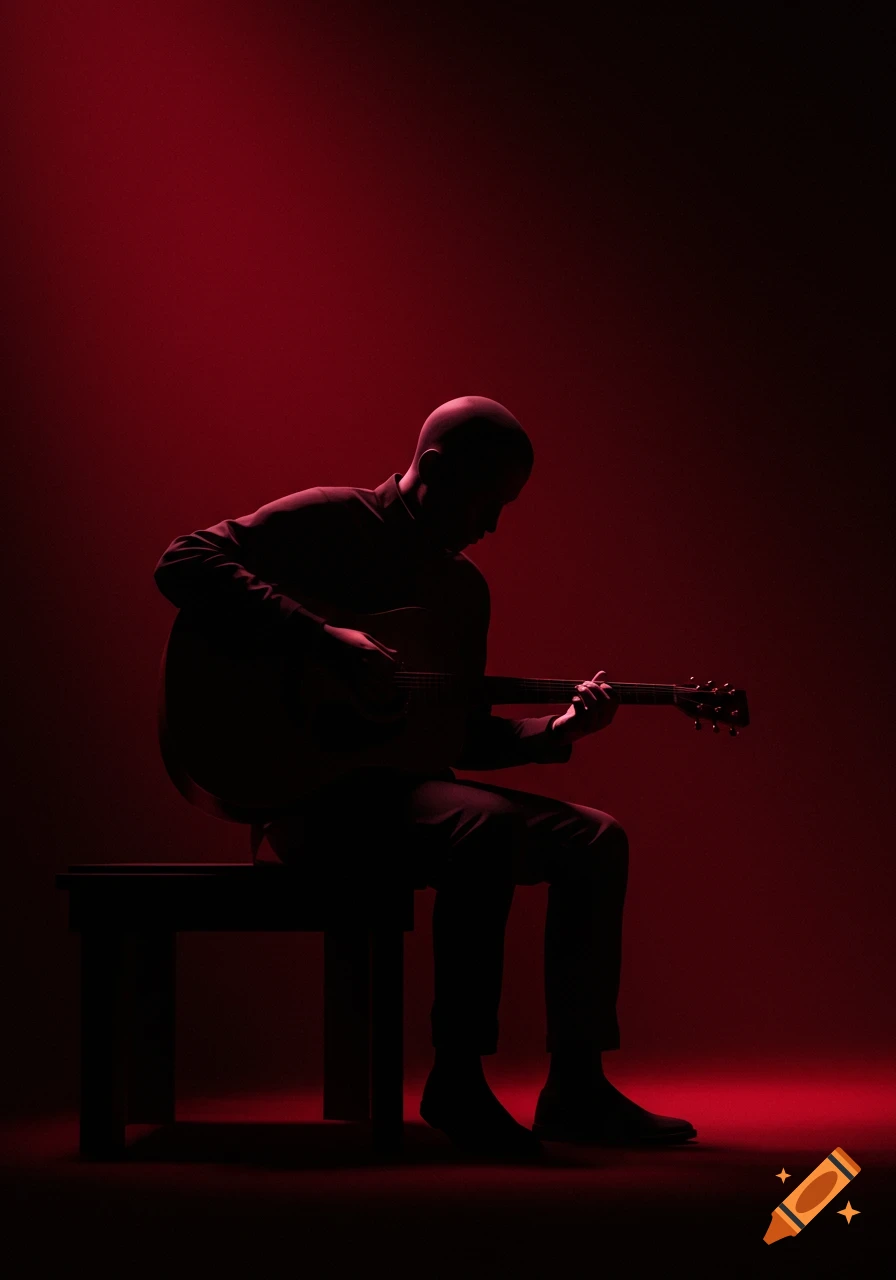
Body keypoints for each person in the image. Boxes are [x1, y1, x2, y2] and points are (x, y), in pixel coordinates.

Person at [154, 395, 696, 1159]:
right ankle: (459, 1077)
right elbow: (182, 562)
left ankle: (576, 1086)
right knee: (485, 826)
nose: (493, 525)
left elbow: (456, 735)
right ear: (434, 469)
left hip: (406, 798)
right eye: (487, 501)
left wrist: (554, 733)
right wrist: (322, 640)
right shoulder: (331, 520)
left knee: (597, 840)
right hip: (304, 800)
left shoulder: (461, 590)